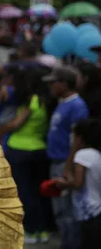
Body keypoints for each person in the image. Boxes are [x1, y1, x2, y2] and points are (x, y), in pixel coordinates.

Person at [0, 68, 52, 244]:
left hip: (19, 150)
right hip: (39, 150)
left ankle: (31, 229)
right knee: (37, 191)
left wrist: (1, 130)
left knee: (24, 192)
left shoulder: (32, 101)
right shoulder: (46, 101)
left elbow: (16, 124)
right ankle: (43, 230)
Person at [44, 66, 90, 249]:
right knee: (60, 209)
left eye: (53, 83)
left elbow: (77, 139)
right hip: (57, 161)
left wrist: (68, 167)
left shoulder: (77, 106)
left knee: (67, 210)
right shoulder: (62, 103)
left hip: (64, 162)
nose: (51, 87)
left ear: (64, 83)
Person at [55, 119, 101, 249]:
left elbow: (77, 183)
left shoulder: (82, 155)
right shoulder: (96, 154)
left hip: (89, 213)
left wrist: (62, 185)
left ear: (79, 137)